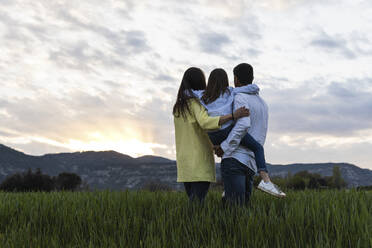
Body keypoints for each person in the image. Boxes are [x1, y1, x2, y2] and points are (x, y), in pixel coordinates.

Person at [193, 68, 286, 198]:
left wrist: (224, 147)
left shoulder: (237, 97)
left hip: (234, 158)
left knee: (234, 209)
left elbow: (243, 124)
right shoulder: (263, 104)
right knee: (242, 209)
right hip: (251, 162)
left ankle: (229, 192)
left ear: (236, 79)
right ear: (252, 78)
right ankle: (263, 181)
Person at [173, 67, 250, 203]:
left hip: (184, 162)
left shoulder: (179, 107)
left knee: (193, 201)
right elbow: (205, 123)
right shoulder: (195, 103)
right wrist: (232, 115)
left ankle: (186, 223)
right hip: (198, 161)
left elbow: (194, 131)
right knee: (196, 205)